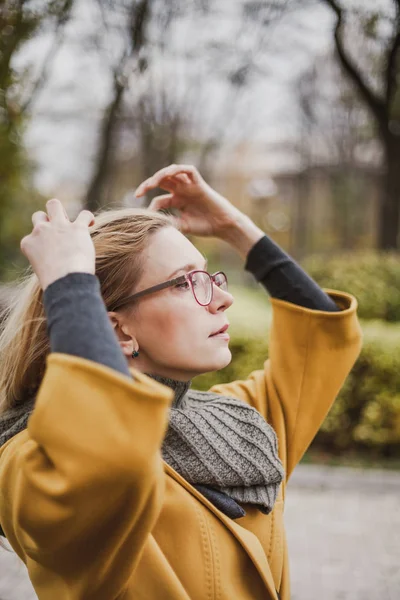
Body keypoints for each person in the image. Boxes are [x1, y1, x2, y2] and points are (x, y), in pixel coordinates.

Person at [0, 164, 362, 600]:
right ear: (117, 330)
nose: (223, 298)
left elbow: (318, 344)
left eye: (210, 276)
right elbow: (101, 457)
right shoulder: (31, 461)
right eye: (189, 282)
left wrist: (235, 228)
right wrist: (69, 281)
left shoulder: (234, 425)